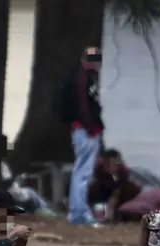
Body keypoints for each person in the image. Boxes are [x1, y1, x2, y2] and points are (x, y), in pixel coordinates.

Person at [62, 46, 104, 226]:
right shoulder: (81, 79)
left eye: (98, 59)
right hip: (85, 131)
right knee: (83, 173)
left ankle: (78, 211)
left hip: (87, 129)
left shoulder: (90, 78)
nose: (96, 63)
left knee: (82, 172)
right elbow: (83, 106)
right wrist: (90, 127)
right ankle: (78, 213)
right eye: (92, 59)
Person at [88, 149, 142, 222]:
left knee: (133, 188)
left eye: (114, 163)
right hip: (102, 190)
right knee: (92, 189)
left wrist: (112, 203)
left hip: (119, 192)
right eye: (107, 163)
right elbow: (98, 183)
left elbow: (119, 188)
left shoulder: (123, 171)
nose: (111, 166)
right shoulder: (98, 169)